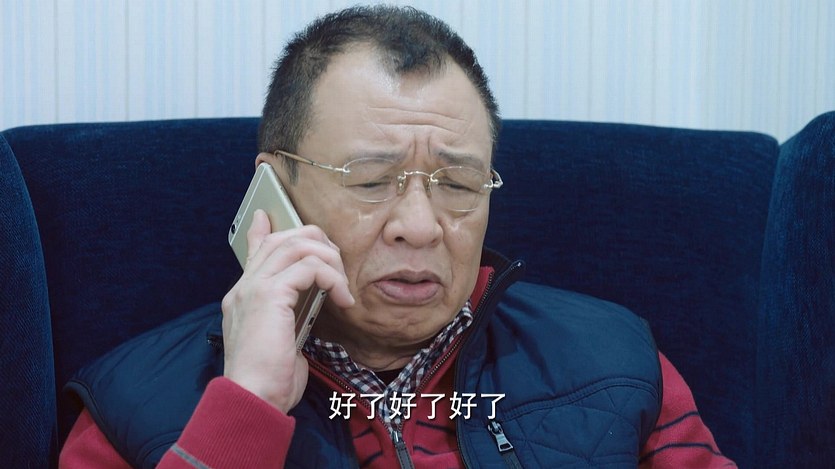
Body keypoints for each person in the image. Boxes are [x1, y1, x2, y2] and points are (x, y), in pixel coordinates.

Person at [59, 5, 736, 468]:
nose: (419, 226)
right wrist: (248, 407)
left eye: (458, 183)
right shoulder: (133, 405)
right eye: (371, 181)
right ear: (276, 188)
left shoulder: (616, 359)